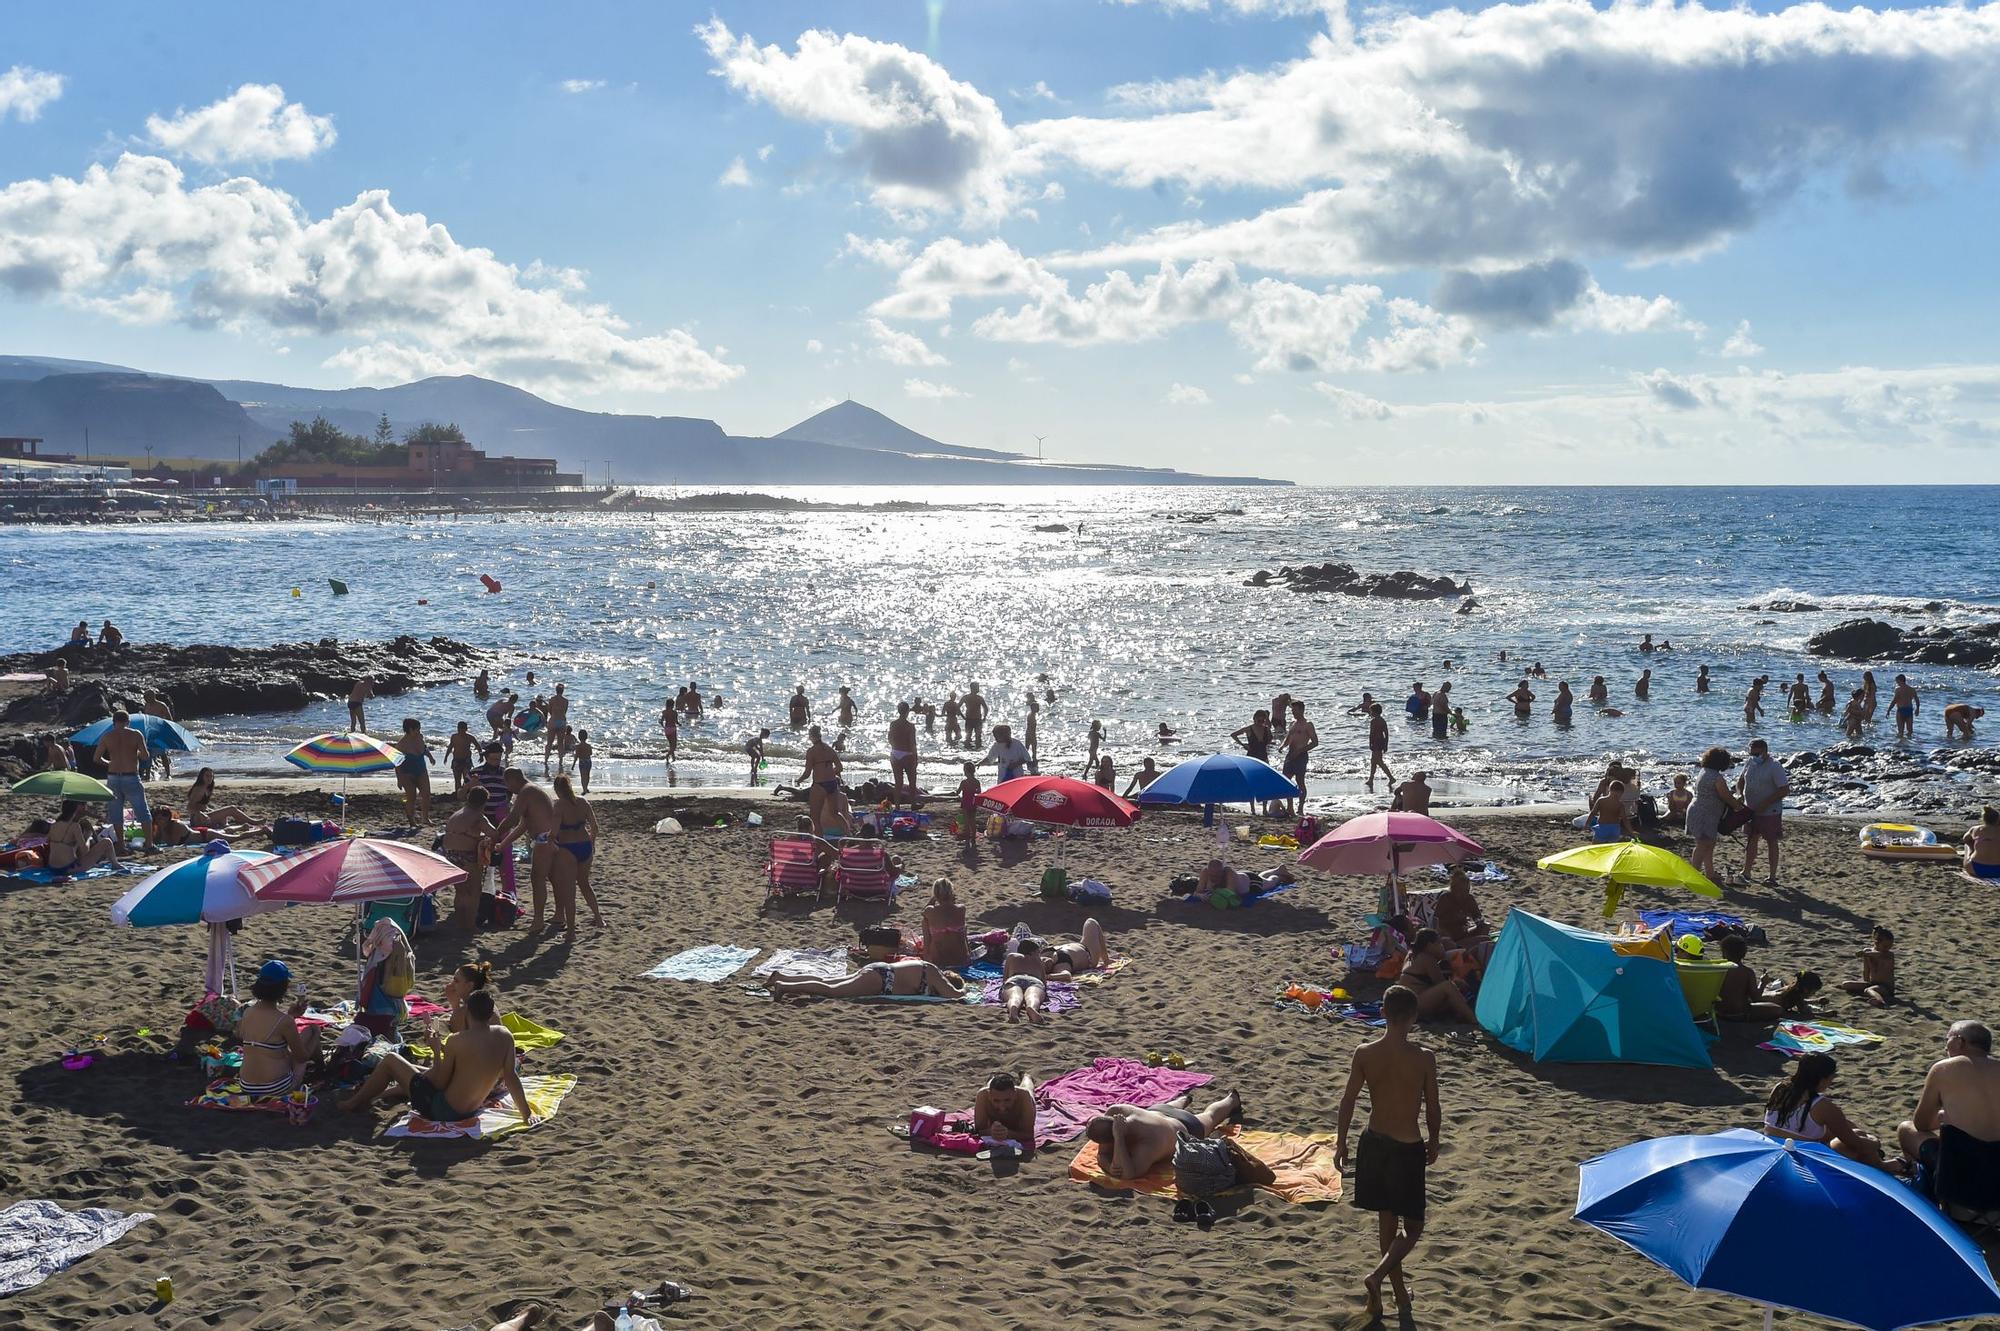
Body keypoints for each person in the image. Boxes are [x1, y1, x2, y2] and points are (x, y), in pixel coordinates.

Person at [1336, 985, 1439, 1320]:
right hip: (1406, 1146)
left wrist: (1341, 1141)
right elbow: (1432, 1108)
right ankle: (1378, 1277)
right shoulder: (1423, 1058)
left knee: (1386, 1223)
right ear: (1413, 1018)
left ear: (1382, 1012)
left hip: (1374, 1141)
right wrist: (1434, 1139)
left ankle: (1392, 1296)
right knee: (1413, 1228)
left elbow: (1348, 1100)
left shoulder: (1365, 1053)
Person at [340, 989, 537, 1126]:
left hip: (443, 1110)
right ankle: (373, 1095)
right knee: (415, 1069)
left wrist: (435, 1050)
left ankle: (353, 1103)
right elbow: (511, 1077)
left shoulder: (457, 1040)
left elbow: (439, 1081)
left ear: (467, 1012)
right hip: (470, 1109)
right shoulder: (505, 1036)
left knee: (391, 1060)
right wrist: (527, 1114)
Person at [1897, 1022, 2000, 1177]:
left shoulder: (1944, 1069)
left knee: (1906, 1130)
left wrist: (1945, 1115)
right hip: (1996, 1173)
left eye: (1947, 1039)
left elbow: (1921, 1123)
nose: (1945, 1047)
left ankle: (1924, 1192)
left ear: (1959, 1041)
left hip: (1960, 1179)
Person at [1764, 1053, 1900, 1171]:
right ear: (1822, 1079)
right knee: (1855, 1140)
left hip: (1774, 1151)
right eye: (1831, 1078)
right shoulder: (1822, 1106)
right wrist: (1875, 1142)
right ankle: (1884, 1168)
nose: (1831, 1082)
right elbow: (1856, 1144)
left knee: (1842, 1132)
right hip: (1803, 1161)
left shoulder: (1779, 1089)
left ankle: (1883, 1165)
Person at [1082, 1089, 1246, 1180]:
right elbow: (1103, 1154)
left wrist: (1117, 1140)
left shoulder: (1147, 1145)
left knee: (1210, 1117)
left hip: (1185, 1125)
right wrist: (1108, 1162)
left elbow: (1128, 1174)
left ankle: (1232, 1100)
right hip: (1159, 1110)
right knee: (1168, 1108)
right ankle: (1184, 1099)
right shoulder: (1115, 1111)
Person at [492, 769, 565, 938]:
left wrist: (495, 833)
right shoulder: (533, 790)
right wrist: (503, 844)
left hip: (544, 839)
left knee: (537, 878)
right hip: (552, 838)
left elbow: (512, 819)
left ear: (512, 780)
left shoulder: (526, 792)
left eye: (506, 784)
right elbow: (523, 826)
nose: (507, 788)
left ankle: (538, 920)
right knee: (554, 878)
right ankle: (559, 915)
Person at [236, 960, 313, 1098]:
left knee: (275, 1048)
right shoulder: (285, 1021)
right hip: (276, 1087)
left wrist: (291, 1016)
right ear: (282, 988)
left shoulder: (247, 1013)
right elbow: (301, 1057)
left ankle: (320, 1066)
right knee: (313, 1031)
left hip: (246, 1085)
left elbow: (256, 1037)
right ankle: (321, 1067)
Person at [93, 709, 155, 856]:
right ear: (128, 721)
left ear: (113, 722)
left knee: (116, 813)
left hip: (113, 776)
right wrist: (135, 753)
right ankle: (150, 844)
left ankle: (121, 846)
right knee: (142, 811)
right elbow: (145, 756)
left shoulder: (107, 736)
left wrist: (111, 763)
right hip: (131, 776)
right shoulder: (135, 734)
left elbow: (96, 758)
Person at [1717, 935, 1821, 1021]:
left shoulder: (1718, 969)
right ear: (1744, 954)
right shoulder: (1747, 972)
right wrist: (1763, 983)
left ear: (1724, 953)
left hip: (1718, 1011)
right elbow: (1756, 998)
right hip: (1739, 1013)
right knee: (1777, 1010)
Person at [764, 958, 967, 1001]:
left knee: (831, 981)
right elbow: (955, 994)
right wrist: (967, 990)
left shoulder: (928, 967)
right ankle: (784, 986)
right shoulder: (935, 975)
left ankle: (783, 976)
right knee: (831, 991)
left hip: (878, 970)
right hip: (880, 981)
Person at [551, 774, 603, 931]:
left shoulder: (559, 806)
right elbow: (595, 827)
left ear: (557, 790)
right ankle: (599, 919)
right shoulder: (583, 802)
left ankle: (571, 931)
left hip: (568, 848)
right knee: (584, 884)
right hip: (585, 846)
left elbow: (553, 833)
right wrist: (592, 844)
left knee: (569, 889)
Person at [441, 783, 495, 930]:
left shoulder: (457, 814)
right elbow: (494, 833)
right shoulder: (478, 816)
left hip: (450, 854)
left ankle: (460, 921)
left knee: (461, 891)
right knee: (474, 891)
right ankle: (470, 925)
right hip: (467, 856)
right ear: (483, 803)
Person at [1738, 738, 1790, 886]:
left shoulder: (1774, 766)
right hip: (1750, 809)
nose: (1754, 757)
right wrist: (1740, 794)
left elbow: (1784, 790)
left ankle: (1772, 876)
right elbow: (1741, 780)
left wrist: (1765, 803)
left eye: (1757, 754)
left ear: (1765, 751)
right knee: (1751, 839)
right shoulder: (1749, 762)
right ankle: (1746, 871)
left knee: (1771, 842)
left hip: (1770, 812)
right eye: (1751, 754)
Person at [1398, 931, 1477, 1023]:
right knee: (1449, 987)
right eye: (1439, 944)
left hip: (1407, 1004)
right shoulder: (1427, 959)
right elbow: (1441, 982)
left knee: (1453, 990)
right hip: (1414, 1005)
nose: (1442, 947)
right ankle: (1473, 1019)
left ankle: (1460, 1014)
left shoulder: (1412, 954)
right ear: (1429, 945)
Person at [44, 800, 112, 874]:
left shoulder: (54, 825)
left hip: (52, 867)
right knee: (107, 842)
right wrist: (87, 837)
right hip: (70, 868)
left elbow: (47, 841)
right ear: (75, 811)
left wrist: (71, 844)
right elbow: (85, 851)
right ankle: (116, 864)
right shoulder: (74, 826)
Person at [973, 1072, 1037, 1150]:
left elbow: (1028, 1134)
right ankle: (993, 1077)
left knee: (1028, 1088)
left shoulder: (1024, 1096)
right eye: (996, 1101)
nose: (1002, 1107)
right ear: (989, 1096)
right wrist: (991, 1132)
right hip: (991, 1089)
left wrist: (1008, 1134)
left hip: (1023, 1095)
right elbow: (978, 1131)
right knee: (992, 1083)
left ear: (1015, 1095)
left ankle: (1027, 1077)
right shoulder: (983, 1095)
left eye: (1007, 1100)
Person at [799, 726, 844, 834]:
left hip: (820, 784)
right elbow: (840, 767)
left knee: (815, 817)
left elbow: (807, 773)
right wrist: (830, 772)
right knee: (835, 813)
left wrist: (799, 780)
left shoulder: (811, 751)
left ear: (811, 736)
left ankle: (820, 840)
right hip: (832, 783)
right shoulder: (829, 749)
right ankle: (849, 834)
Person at [1839, 926, 1897, 1007]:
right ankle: (1873, 995)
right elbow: (1866, 970)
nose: (1888, 948)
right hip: (1872, 983)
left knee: (1868, 990)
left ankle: (1880, 1002)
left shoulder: (1889, 954)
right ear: (1876, 943)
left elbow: (1879, 955)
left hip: (1886, 987)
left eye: (1890, 946)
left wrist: (1865, 954)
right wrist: (1865, 981)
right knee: (1846, 984)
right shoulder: (1868, 951)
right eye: (1885, 946)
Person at [1002, 937, 1055, 1023]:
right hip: (1034, 980)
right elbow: (1044, 982)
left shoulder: (1011, 956)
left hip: (1015, 978)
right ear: (1032, 952)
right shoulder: (1038, 960)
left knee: (1015, 996)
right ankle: (1031, 1008)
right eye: (1038, 952)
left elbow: (1005, 978)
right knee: (1033, 996)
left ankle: (1013, 1009)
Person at [1280, 700, 1317, 815]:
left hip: (1301, 755)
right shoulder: (1292, 723)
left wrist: (1300, 750)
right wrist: (1282, 746)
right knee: (1286, 781)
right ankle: (1290, 807)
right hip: (1290, 755)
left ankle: (1300, 807)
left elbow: (1315, 742)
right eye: (1292, 710)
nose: (1293, 712)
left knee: (1300, 781)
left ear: (1301, 710)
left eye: (1295, 710)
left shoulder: (1308, 724)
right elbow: (1288, 739)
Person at [921, 879, 968, 968]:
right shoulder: (961, 909)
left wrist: (934, 898)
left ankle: (927, 957)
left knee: (925, 921)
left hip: (938, 961)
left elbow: (923, 912)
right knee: (963, 926)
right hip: (961, 959)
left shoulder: (930, 911)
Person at [184, 768, 252, 829]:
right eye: (207, 776)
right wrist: (200, 814)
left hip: (204, 815)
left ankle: (233, 825)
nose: (209, 778)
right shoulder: (199, 789)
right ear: (202, 777)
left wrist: (209, 810)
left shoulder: (207, 788)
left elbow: (202, 805)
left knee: (224, 816)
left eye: (211, 776)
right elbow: (189, 807)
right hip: (197, 820)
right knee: (232, 809)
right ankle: (253, 822)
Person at [395, 717, 433, 823]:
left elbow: (424, 748)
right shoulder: (401, 745)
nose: (419, 731)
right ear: (410, 730)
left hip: (421, 770)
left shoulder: (420, 737)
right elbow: (397, 764)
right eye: (417, 729)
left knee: (426, 794)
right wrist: (399, 779)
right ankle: (411, 820)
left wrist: (430, 757)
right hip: (407, 774)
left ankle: (425, 818)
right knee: (412, 797)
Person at [888, 703, 919, 805]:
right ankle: (913, 803)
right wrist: (915, 756)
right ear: (907, 711)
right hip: (907, 754)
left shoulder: (893, 724)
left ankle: (897, 806)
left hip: (895, 753)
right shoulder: (910, 726)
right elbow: (912, 743)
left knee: (898, 782)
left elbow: (890, 739)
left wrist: (896, 747)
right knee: (912, 781)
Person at [1963, 806, 2000, 880]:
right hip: (1998, 871)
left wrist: (1972, 848)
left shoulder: (1976, 829)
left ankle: (1971, 854)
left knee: (1967, 844)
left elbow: (1965, 839)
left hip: (1976, 869)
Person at [1364, 702, 1393, 794]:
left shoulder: (1374, 721)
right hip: (1381, 742)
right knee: (1373, 761)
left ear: (1374, 712)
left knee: (1379, 762)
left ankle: (1391, 778)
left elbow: (1371, 734)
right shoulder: (1382, 720)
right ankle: (1371, 779)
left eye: (1371, 711)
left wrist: (1370, 743)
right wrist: (1386, 744)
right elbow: (1386, 734)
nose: (1370, 712)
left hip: (1376, 742)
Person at [446, 722, 476, 794]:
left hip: (466, 760)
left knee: (466, 778)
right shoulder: (454, 737)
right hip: (456, 760)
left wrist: (481, 755)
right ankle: (457, 793)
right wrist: (446, 757)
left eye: (463, 730)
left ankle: (465, 792)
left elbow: (477, 745)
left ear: (466, 729)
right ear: (457, 729)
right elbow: (450, 746)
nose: (461, 731)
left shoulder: (470, 737)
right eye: (459, 729)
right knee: (457, 779)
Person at [955, 761, 982, 838]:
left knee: (966, 820)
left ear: (965, 771)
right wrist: (973, 790)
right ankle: (973, 835)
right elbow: (979, 792)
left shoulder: (964, 782)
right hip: (973, 802)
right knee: (972, 820)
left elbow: (958, 792)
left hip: (965, 802)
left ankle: (967, 835)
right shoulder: (977, 782)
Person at [1890, 673, 1920, 739]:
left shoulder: (1898, 689)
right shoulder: (1912, 689)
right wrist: (1917, 709)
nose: (1896, 683)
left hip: (1901, 710)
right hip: (1909, 710)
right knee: (1910, 731)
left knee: (1900, 731)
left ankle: (1901, 744)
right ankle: (1909, 745)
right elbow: (1917, 700)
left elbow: (1894, 700)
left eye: (1897, 681)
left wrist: (1889, 710)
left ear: (1900, 680)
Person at [572, 729, 593, 794]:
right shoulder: (589, 746)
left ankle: (584, 789)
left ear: (579, 737)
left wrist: (573, 765)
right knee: (587, 775)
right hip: (588, 761)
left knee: (582, 776)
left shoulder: (578, 746)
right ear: (586, 737)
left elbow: (576, 756)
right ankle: (586, 788)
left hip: (582, 762)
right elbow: (590, 753)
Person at [659, 698, 679, 764]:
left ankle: (673, 758)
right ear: (673, 705)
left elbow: (661, 721)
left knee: (671, 744)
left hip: (667, 729)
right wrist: (680, 724)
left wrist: (663, 726)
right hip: (673, 729)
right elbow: (676, 721)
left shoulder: (664, 712)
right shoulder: (674, 712)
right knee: (674, 745)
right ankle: (667, 755)